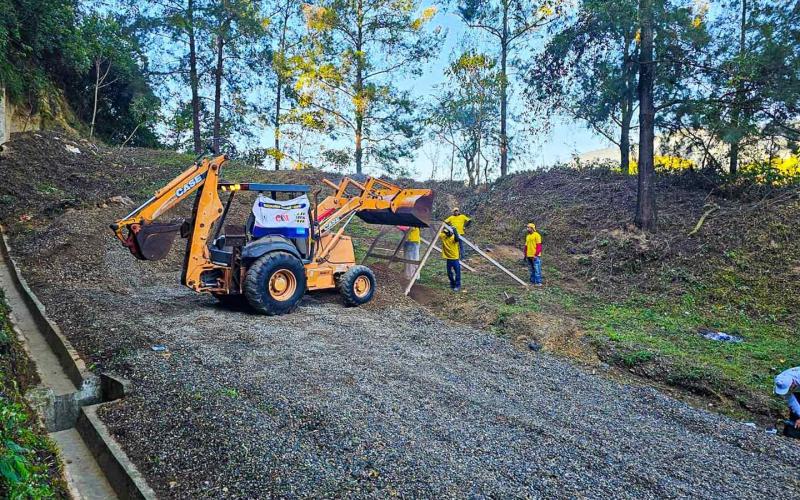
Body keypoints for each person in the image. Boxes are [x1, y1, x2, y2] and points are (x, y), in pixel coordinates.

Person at [439, 226, 461, 291]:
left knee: (457, 273)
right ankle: (452, 284)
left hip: (455, 258)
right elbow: (437, 233)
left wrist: (455, 230)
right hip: (448, 258)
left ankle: (457, 285)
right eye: (446, 232)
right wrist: (443, 228)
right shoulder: (443, 236)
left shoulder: (453, 238)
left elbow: (457, 238)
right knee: (449, 273)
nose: (447, 233)